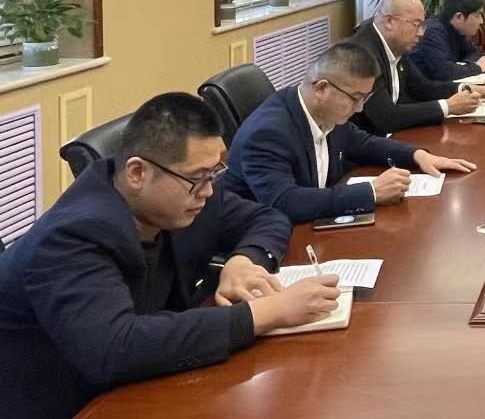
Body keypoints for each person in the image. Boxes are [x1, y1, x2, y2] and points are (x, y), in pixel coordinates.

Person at [0, 93, 340, 419]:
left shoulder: (184, 194)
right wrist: (267, 312)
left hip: (148, 384)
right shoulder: (72, 235)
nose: (208, 190)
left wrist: (245, 260)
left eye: (214, 173)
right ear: (137, 173)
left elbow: (267, 218)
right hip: (71, 404)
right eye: (198, 178)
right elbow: (115, 348)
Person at [224, 42, 476, 224]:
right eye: (355, 98)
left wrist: (416, 155)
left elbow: (361, 142)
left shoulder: (325, 111)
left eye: (365, 98)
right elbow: (285, 202)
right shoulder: (267, 133)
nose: (360, 108)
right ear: (322, 88)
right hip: (267, 244)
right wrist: (372, 191)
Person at [345, 0, 485, 133]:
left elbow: (422, 87)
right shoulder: (362, 55)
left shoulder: (395, 44)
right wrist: (448, 107)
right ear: (389, 22)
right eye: (416, 25)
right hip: (363, 146)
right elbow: (387, 117)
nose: (421, 33)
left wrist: (464, 88)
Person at [408, 0, 485, 80]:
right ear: (459, 17)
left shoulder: (455, 30)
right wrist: (478, 67)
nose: (481, 21)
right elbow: (444, 72)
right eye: (477, 16)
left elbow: (474, 52)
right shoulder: (433, 33)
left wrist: (466, 66)